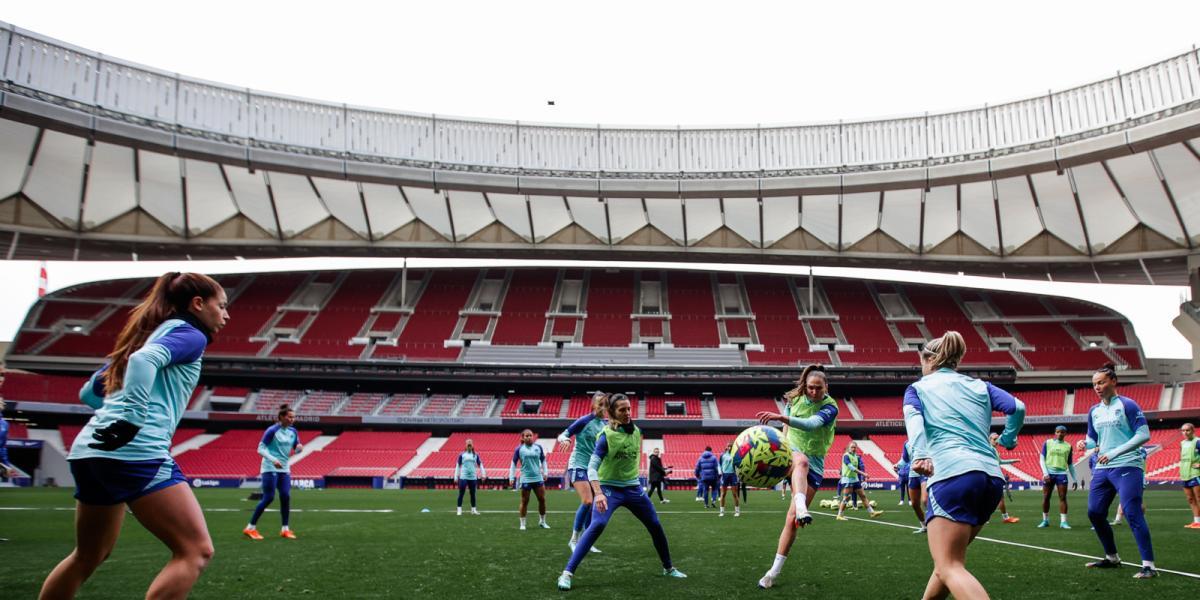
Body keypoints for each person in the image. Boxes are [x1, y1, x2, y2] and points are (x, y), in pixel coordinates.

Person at [40, 272, 227, 600]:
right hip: (135, 451)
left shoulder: (143, 336)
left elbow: (90, 393)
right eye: (221, 306)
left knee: (87, 555)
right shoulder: (190, 335)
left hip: (89, 451)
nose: (226, 315)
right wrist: (133, 418)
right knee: (196, 551)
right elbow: (144, 361)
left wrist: (120, 412)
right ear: (197, 304)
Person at [904, 331, 1026, 600]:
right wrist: (1008, 438)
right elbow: (1017, 407)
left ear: (929, 360)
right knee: (947, 563)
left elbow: (914, 421)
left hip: (951, 474)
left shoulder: (919, 388)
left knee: (950, 566)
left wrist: (921, 455)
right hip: (991, 479)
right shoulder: (980, 386)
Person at [556, 394, 686, 590]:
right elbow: (592, 468)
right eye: (621, 410)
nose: (627, 413)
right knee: (597, 525)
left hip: (633, 489)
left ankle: (668, 568)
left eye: (628, 409)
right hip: (609, 488)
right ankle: (567, 574)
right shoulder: (605, 436)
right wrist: (598, 493)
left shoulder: (636, 432)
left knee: (655, 525)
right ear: (612, 413)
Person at [754, 364, 840, 589]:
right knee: (800, 461)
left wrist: (781, 417)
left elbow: (812, 425)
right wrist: (783, 458)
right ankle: (802, 505)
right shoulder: (793, 401)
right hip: (793, 455)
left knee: (792, 521)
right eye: (810, 387)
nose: (813, 392)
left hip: (817, 465)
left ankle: (773, 573)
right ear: (805, 386)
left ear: (826, 387)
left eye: (818, 388)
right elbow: (786, 433)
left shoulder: (831, 407)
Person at [1076, 364, 1156, 578]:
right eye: (1094, 384)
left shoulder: (1128, 405)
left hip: (1128, 464)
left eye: (1101, 382)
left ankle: (1148, 565)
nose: (1097, 387)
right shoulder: (1094, 411)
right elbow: (1093, 438)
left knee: (1132, 512)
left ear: (1113, 381)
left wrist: (1113, 453)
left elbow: (1143, 435)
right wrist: (1086, 444)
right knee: (1094, 513)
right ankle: (1112, 557)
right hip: (1102, 467)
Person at [556, 392, 609, 551]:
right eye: (600, 403)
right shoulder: (584, 421)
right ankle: (574, 540)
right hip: (578, 465)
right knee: (587, 501)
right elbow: (564, 434)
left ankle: (586, 541)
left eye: (605, 404)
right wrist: (565, 439)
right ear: (593, 405)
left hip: (593, 469)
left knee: (592, 505)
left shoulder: (605, 425)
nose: (602, 407)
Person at [243, 404, 304, 540]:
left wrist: (299, 448)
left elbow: (296, 448)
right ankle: (250, 528)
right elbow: (260, 448)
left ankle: (285, 529)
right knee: (269, 497)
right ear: (281, 417)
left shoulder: (293, 431)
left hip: (284, 468)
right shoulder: (272, 430)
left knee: (285, 496)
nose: (292, 419)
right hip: (270, 467)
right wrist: (273, 459)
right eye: (289, 417)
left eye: (293, 417)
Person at [1037, 425, 1076, 529]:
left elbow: (1070, 464)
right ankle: (1045, 520)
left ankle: (1063, 522)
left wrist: (1075, 479)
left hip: (1062, 473)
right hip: (1048, 473)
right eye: (1058, 432)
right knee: (1046, 497)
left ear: (1065, 434)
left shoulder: (1068, 446)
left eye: (1062, 432)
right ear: (1055, 433)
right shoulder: (1048, 443)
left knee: (1063, 497)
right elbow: (1041, 459)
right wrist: (1045, 473)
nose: (1060, 434)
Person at [509, 429, 549, 530]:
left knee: (542, 500)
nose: (529, 437)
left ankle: (542, 521)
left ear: (533, 436)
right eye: (526, 436)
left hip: (538, 477)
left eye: (530, 435)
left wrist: (545, 472)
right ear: (523, 437)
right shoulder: (519, 449)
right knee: (525, 501)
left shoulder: (538, 447)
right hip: (526, 478)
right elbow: (513, 463)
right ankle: (522, 524)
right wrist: (511, 477)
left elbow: (543, 461)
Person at [835, 441, 882, 520]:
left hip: (855, 479)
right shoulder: (846, 456)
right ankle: (839, 515)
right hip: (847, 480)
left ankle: (872, 512)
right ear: (848, 448)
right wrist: (863, 474)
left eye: (855, 447)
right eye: (852, 447)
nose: (853, 449)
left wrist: (863, 476)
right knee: (846, 498)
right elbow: (851, 467)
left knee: (863, 495)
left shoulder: (856, 457)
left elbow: (859, 467)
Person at [989, 432, 1020, 524]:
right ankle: (1004, 518)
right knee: (998, 498)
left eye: (997, 439)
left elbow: (1000, 462)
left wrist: (1013, 460)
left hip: (993, 476)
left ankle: (1005, 517)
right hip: (991, 476)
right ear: (989, 440)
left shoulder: (993, 450)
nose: (996, 441)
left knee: (997, 498)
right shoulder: (990, 449)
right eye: (994, 439)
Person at [902, 441, 929, 534]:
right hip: (913, 475)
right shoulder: (906, 443)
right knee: (914, 504)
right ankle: (924, 526)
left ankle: (936, 524)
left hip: (924, 472)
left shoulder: (925, 438)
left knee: (925, 500)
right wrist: (897, 465)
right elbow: (905, 459)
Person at [454, 438, 485, 516]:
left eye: (470, 445)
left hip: (473, 477)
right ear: (466, 445)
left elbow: (480, 465)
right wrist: (455, 476)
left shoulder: (475, 455)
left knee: (473, 494)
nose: (469, 446)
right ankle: (459, 509)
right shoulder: (462, 455)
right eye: (468, 445)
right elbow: (458, 465)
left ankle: (473, 510)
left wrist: (483, 474)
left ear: (472, 446)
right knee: (461, 493)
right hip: (463, 477)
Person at [1180, 423, 1200, 529]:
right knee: (1190, 499)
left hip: (1195, 473)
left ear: (1193, 430)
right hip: (1184, 474)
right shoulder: (1182, 443)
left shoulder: (1197, 442)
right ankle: (1197, 522)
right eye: (1183, 431)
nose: (1185, 433)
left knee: (1198, 498)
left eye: (1187, 430)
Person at [718, 442, 740, 517]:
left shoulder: (736, 455)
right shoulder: (722, 455)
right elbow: (719, 464)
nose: (730, 447)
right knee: (723, 494)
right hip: (725, 475)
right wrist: (721, 472)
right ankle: (722, 511)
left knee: (734, 494)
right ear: (726, 447)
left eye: (731, 446)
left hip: (733, 475)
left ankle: (737, 511)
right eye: (728, 446)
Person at [894, 442, 911, 506]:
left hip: (908, 476)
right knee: (902, 489)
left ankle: (910, 500)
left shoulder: (909, 461)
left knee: (909, 489)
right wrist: (898, 473)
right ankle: (902, 500)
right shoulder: (900, 462)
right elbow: (896, 468)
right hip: (901, 476)